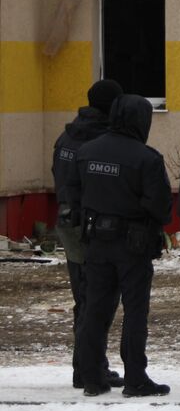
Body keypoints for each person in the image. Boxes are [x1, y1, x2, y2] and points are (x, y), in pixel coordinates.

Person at [73, 94, 172, 397]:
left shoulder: (86, 152)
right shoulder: (146, 158)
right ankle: (135, 378)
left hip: (95, 241)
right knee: (134, 311)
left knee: (94, 309)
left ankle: (91, 377)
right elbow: (161, 207)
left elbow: (75, 195)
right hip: (133, 244)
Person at [52, 79, 125, 390]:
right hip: (94, 227)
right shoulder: (102, 141)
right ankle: (89, 367)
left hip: (69, 225)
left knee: (83, 299)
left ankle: (84, 365)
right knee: (98, 300)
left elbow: (59, 178)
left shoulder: (66, 137)